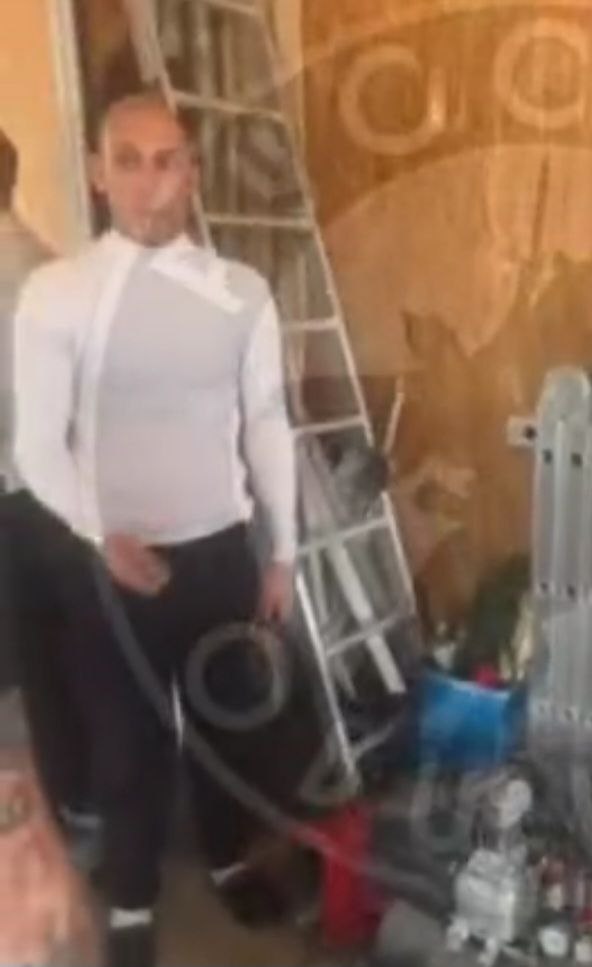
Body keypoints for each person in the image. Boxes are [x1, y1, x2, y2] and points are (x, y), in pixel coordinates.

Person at [13, 90, 298, 967]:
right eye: (129, 162)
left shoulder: (241, 293)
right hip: (111, 560)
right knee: (125, 738)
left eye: (167, 161)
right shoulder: (56, 293)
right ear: (99, 175)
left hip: (218, 550)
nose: (150, 182)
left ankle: (227, 857)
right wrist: (98, 530)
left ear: (192, 172)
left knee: (225, 727)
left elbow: (266, 421)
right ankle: (132, 901)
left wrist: (284, 551)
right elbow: (35, 442)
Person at [0, 126, 104, 864]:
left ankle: (76, 810)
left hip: (17, 498)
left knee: (41, 665)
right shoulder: (53, 267)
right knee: (82, 655)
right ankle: (98, 803)